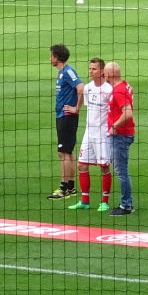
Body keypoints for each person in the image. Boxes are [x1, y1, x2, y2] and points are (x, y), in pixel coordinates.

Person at [69, 58, 114, 212]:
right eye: (90, 69)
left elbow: (114, 111)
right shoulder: (88, 88)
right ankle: (85, 201)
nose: (91, 71)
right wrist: (76, 108)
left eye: (94, 69)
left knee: (104, 167)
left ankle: (104, 201)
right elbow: (84, 102)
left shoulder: (109, 90)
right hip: (89, 133)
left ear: (102, 71)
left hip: (103, 135)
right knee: (82, 164)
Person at [49, 44, 84, 200]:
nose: (50, 58)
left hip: (67, 116)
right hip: (62, 116)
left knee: (63, 152)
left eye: (52, 55)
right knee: (66, 152)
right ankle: (70, 187)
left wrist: (77, 108)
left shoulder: (68, 71)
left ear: (57, 57)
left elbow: (81, 88)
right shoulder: (62, 72)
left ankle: (64, 189)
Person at [105, 60, 136, 216]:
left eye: (104, 72)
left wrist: (114, 126)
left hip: (121, 135)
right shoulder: (125, 85)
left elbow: (128, 113)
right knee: (122, 170)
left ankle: (126, 205)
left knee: (121, 171)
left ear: (110, 74)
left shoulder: (118, 91)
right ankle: (126, 203)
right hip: (125, 133)